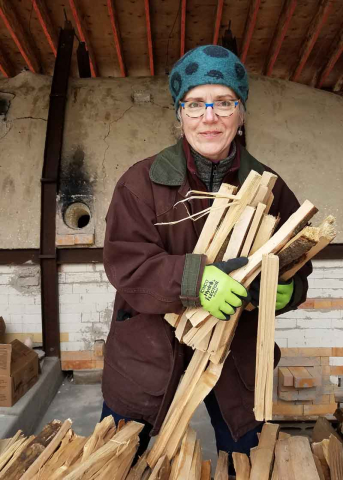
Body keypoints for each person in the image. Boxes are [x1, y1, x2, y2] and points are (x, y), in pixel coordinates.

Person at [101, 45, 312, 472]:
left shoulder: (271, 189)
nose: (209, 117)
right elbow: (128, 264)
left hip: (236, 359)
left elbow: (297, 263)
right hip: (146, 354)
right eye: (195, 104)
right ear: (179, 113)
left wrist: (285, 290)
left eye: (224, 102)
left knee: (248, 459)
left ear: (241, 111)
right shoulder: (140, 183)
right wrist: (197, 281)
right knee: (119, 459)